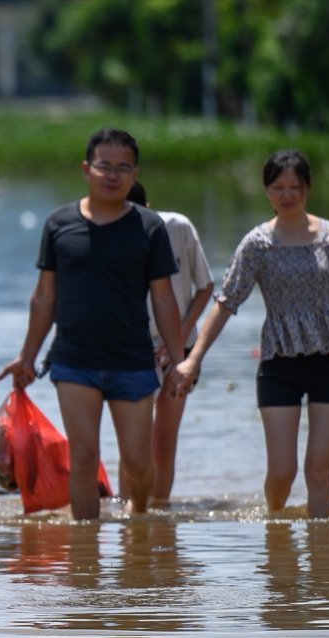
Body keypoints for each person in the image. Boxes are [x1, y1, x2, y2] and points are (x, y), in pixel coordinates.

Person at [172, 149, 329, 518]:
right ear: (266, 191)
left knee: (319, 468)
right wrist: (193, 359)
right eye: (278, 187)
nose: (287, 196)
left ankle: (321, 561)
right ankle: (275, 526)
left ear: (308, 188)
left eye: (295, 187)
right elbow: (225, 303)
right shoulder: (257, 244)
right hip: (278, 364)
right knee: (283, 472)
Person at [0, 127, 186, 519]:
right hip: (74, 360)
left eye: (123, 168)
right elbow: (44, 296)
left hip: (133, 360)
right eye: (104, 166)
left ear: (134, 174)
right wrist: (26, 356)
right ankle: (86, 558)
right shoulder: (59, 224)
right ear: (87, 169)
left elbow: (164, 297)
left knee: (137, 462)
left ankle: (139, 525)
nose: (112, 175)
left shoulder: (149, 227)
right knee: (83, 457)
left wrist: (180, 359)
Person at [118, 181, 215, 504]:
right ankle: (128, 516)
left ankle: (157, 516)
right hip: (133, 349)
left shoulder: (177, 228)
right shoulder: (108, 236)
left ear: (150, 206)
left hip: (179, 349)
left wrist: (177, 334)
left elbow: (205, 288)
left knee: (163, 443)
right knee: (133, 444)